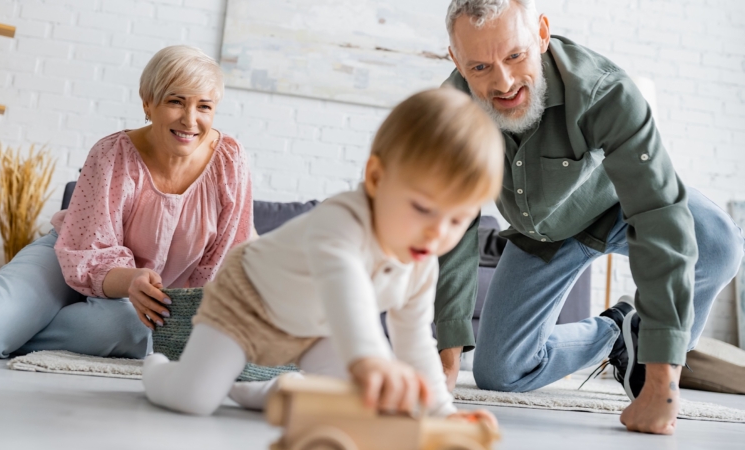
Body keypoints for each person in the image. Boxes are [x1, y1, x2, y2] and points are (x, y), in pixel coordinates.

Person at [432, 0, 745, 435]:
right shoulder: (449, 114)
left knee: (719, 244)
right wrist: (447, 364)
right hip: (543, 234)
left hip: (621, 206)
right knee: (500, 373)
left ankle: (650, 349)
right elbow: (454, 227)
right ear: (455, 60)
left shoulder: (604, 91)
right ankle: (618, 332)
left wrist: (660, 382)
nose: (502, 82)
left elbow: (657, 211)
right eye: (480, 67)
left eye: (515, 56)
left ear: (542, 33)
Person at [142, 88, 504, 422]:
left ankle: (269, 390)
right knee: (194, 400)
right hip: (247, 303)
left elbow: (415, 340)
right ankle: (158, 369)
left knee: (355, 405)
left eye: (458, 219)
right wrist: (371, 360)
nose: (438, 233)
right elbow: (345, 290)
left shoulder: (421, 263)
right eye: (423, 208)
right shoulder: (342, 220)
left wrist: (442, 411)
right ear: (377, 179)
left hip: (319, 330)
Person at [0, 45, 252, 360]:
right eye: (175, 101)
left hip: (139, 298)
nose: (190, 120)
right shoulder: (112, 154)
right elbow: (88, 253)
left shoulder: (229, 161)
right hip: (72, 253)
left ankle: (11, 333)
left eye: (204, 106)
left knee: (128, 329)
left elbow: (223, 260)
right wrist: (131, 279)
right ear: (148, 103)